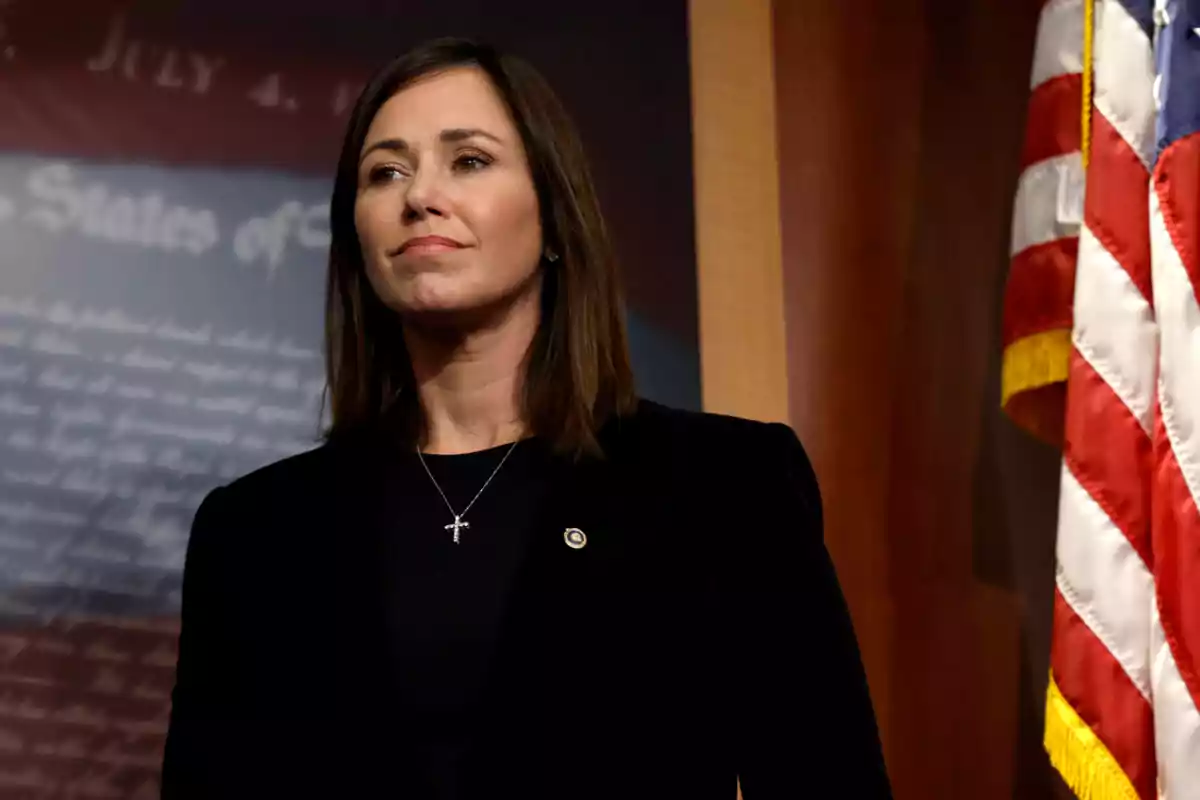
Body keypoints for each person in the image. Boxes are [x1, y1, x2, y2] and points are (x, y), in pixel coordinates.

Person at [160, 37, 890, 800]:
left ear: (553, 214)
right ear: (358, 239)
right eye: (386, 171)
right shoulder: (252, 531)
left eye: (468, 161)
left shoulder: (725, 487)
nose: (420, 197)